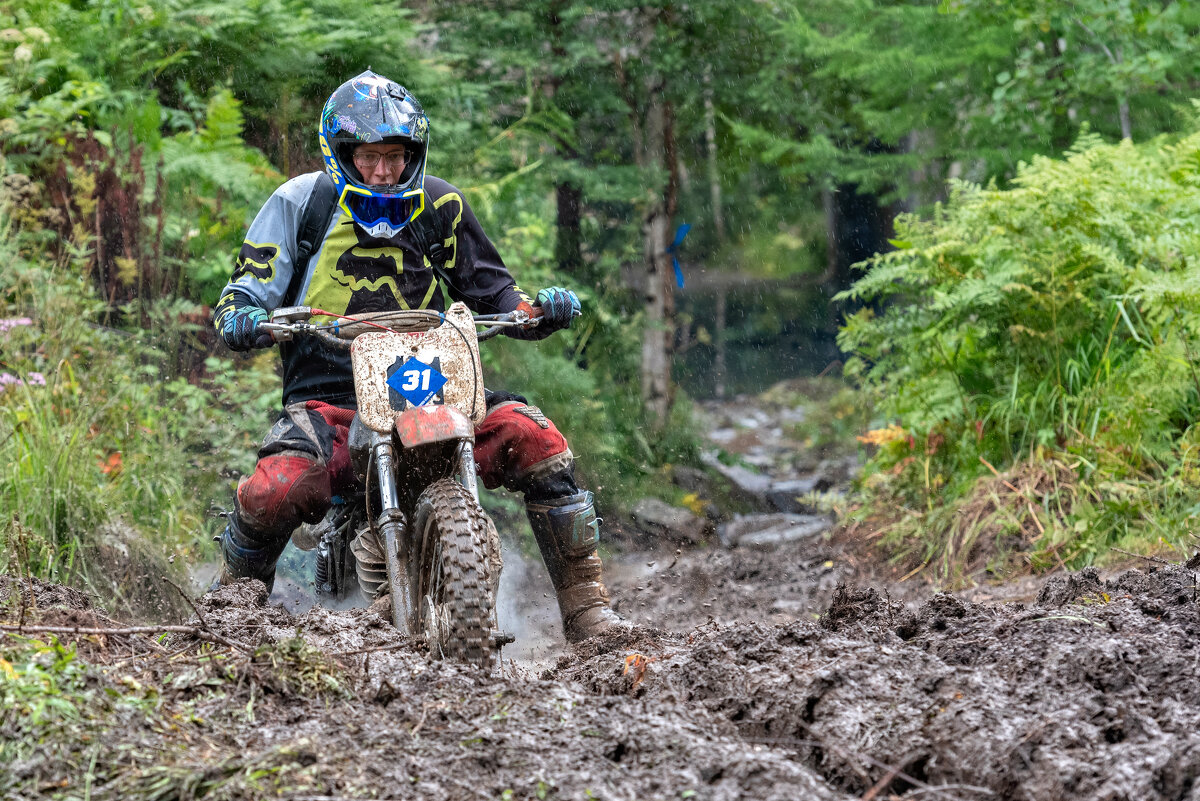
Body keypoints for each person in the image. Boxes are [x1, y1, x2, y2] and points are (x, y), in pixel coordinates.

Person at [210, 70, 623, 643]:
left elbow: (495, 295)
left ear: (414, 153)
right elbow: (248, 288)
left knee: (538, 439)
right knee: (274, 486)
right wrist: (241, 315)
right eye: (371, 157)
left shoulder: (440, 206)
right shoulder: (300, 204)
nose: (384, 171)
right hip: (331, 401)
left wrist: (535, 309)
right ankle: (229, 609)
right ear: (342, 154)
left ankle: (590, 614)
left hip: (434, 389)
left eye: (397, 156)